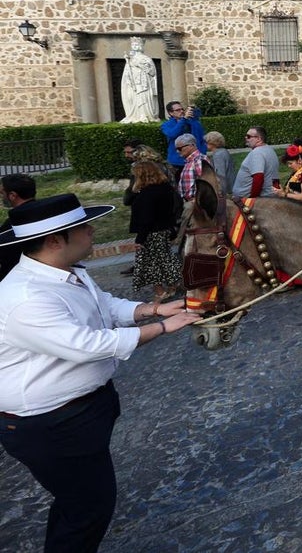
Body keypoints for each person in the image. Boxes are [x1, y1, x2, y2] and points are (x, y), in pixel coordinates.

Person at [0, 193, 201, 552]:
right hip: (48, 424)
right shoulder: (26, 296)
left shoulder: (66, 271)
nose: (92, 231)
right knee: (87, 509)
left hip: (81, 412)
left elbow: (103, 305)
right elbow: (86, 344)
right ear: (54, 241)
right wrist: (162, 328)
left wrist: (153, 309)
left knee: (80, 501)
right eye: (84, 227)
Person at [128, 161, 183, 303]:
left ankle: (160, 292)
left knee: (150, 264)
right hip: (164, 229)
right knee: (164, 259)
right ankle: (173, 284)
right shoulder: (165, 189)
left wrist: (140, 239)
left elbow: (146, 219)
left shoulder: (147, 194)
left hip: (151, 232)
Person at [1, 173, 36, 281]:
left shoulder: (15, 223)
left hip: (16, 277)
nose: (1, 197)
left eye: (2, 193)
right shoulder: (44, 212)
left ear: (12, 195)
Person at [233, 126, 280, 198]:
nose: (246, 138)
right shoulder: (270, 150)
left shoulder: (257, 153)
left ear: (258, 139)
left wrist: (252, 198)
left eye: (248, 136)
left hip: (249, 199)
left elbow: (258, 177)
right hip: (269, 196)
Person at [120, 36, 157, 123]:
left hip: (144, 84)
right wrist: (128, 62)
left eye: (137, 44)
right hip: (134, 84)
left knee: (144, 99)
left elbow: (152, 72)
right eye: (133, 44)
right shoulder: (130, 59)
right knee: (134, 99)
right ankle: (135, 116)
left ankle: (145, 115)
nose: (135, 46)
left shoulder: (147, 59)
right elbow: (127, 72)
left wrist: (140, 65)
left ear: (141, 46)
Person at [160, 100, 206, 169]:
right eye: (178, 110)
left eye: (182, 109)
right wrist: (183, 119)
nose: (181, 111)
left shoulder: (191, 122)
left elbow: (201, 137)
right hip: (177, 162)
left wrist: (194, 114)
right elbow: (172, 134)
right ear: (171, 113)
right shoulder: (166, 125)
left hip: (196, 159)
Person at [174, 133, 205, 201]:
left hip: (195, 203)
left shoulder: (198, 160)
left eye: (179, 148)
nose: (177, 151)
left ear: (191, 145)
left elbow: (204, 184)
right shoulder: (191, 161)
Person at [203, 131, 236, 196]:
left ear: (212, 143)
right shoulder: (223, 151)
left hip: (227, 191)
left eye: (206, 142)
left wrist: (220, 192)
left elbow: (221, 175)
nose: (205, 144)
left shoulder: (218, 155)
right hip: (231, 187)